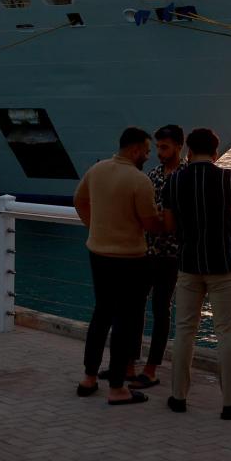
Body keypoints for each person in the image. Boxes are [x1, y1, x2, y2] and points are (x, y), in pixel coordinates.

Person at [163, 128, 231, 419]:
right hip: (222, 265)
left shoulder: (173, 180)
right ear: (216, 152)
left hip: (188, 264)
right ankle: (230, 403)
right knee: (226, 332)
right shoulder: (228, 178)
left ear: (188, 151)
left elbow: (168, 224)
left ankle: (178, 397)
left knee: (184, 330)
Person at [74, 127, 162, 406]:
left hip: (98, 252)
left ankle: (88, 378)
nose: (148, 156)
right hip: (130, 258)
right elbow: (150, 225)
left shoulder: (97, 170)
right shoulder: (139, 180)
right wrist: (168, 220)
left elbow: (79, 200)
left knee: (101, 315)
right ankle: (117, 388)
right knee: (126, 320)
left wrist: (95, 228)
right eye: (147, 151)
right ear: (136, 150)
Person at [127, 124, 185, 389]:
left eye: (165, 147)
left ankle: (151, 369)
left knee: (161, 310)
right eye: (158, 147)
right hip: (146, 249)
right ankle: (129, 363)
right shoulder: (153, 175)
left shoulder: (186, 176)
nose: (159, 153)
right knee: (135, 306)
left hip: (171, 254)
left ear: (178, 147)